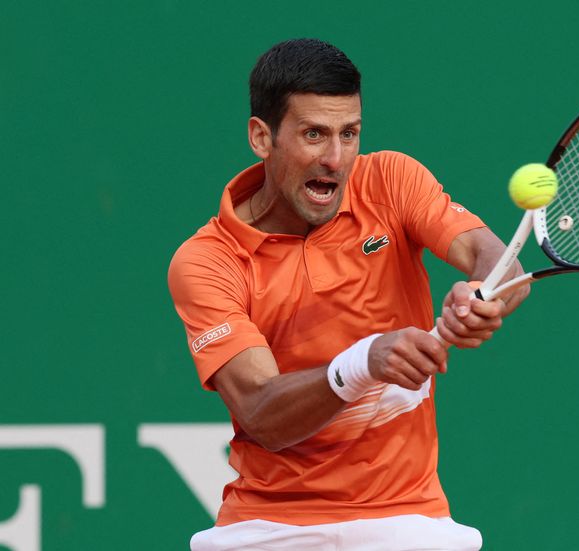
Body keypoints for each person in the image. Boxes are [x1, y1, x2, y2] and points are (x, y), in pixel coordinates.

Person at [168, 38, 529, 551]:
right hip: (269, 526)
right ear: (261, 137)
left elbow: (499, 261)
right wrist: (364, 361)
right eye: (314, 134)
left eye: (349, 134)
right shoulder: (208, 261)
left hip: (405, 520)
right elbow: (262, 413)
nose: (335, 159)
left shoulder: (390, 180)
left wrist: (482, 294)